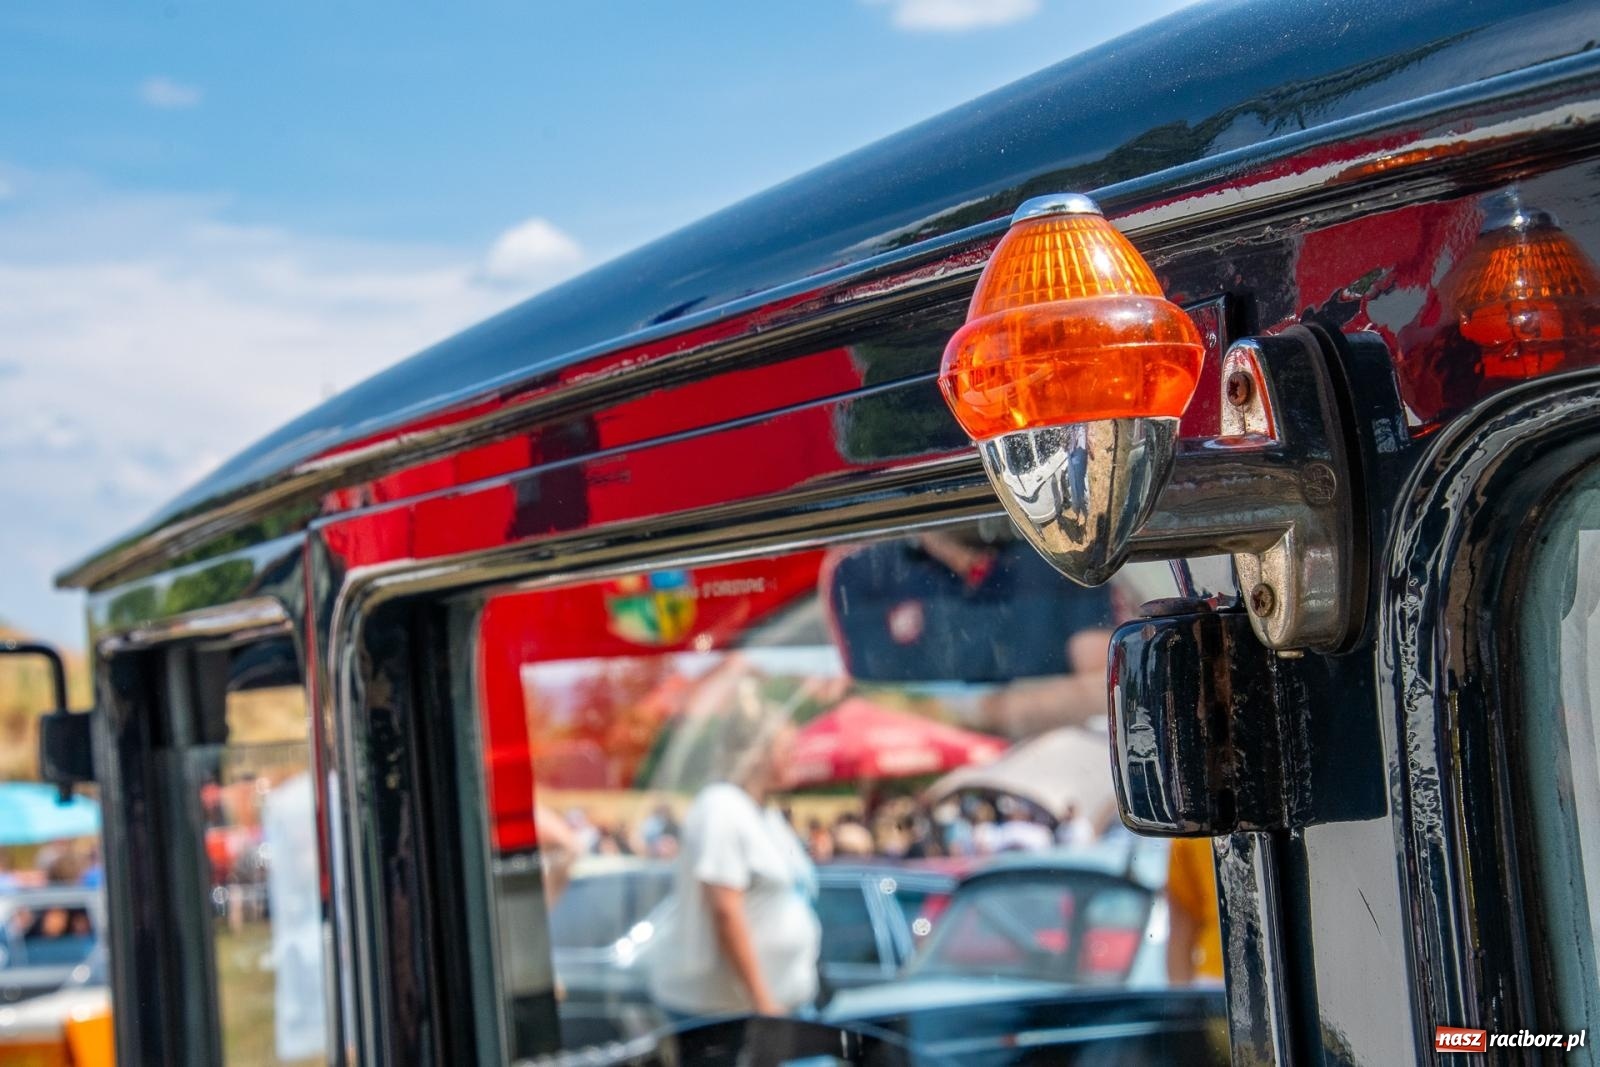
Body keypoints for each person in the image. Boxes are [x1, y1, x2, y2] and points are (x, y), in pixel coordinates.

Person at [647, 693, 820, 1019]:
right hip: (731, 1015)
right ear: (758, 754)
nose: (795, 757)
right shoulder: (721, 807)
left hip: (773, 1008)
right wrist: (762, 1001)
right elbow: (725, 910)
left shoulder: (762, 814)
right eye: (786, 750)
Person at [1165, 836, 1224, 984]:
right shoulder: (1188, 831)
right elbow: (1182, 919)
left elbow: (1181, 924)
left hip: (1219, 976)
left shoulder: (1191, 825)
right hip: (1220, 974)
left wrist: (1181, 1001)